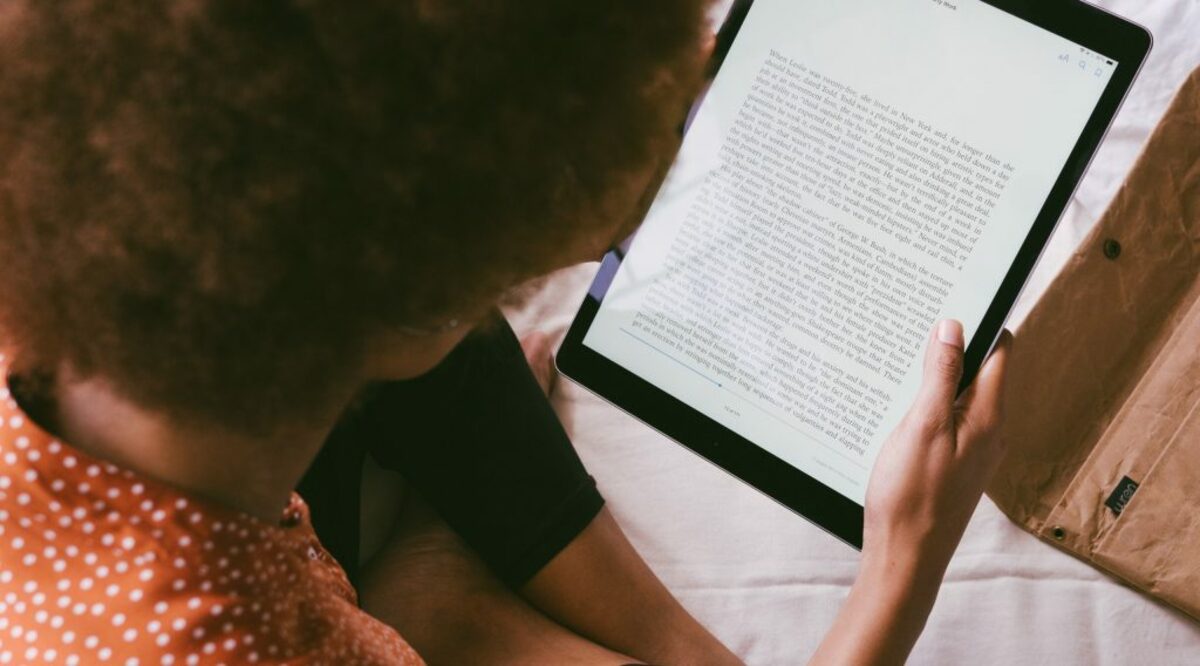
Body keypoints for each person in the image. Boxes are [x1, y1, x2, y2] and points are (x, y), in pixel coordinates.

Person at [0, 2, 1010, 664]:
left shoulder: (116, 218)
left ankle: (442, 597)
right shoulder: (251, 644)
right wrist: (898, 569)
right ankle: (447, 611)